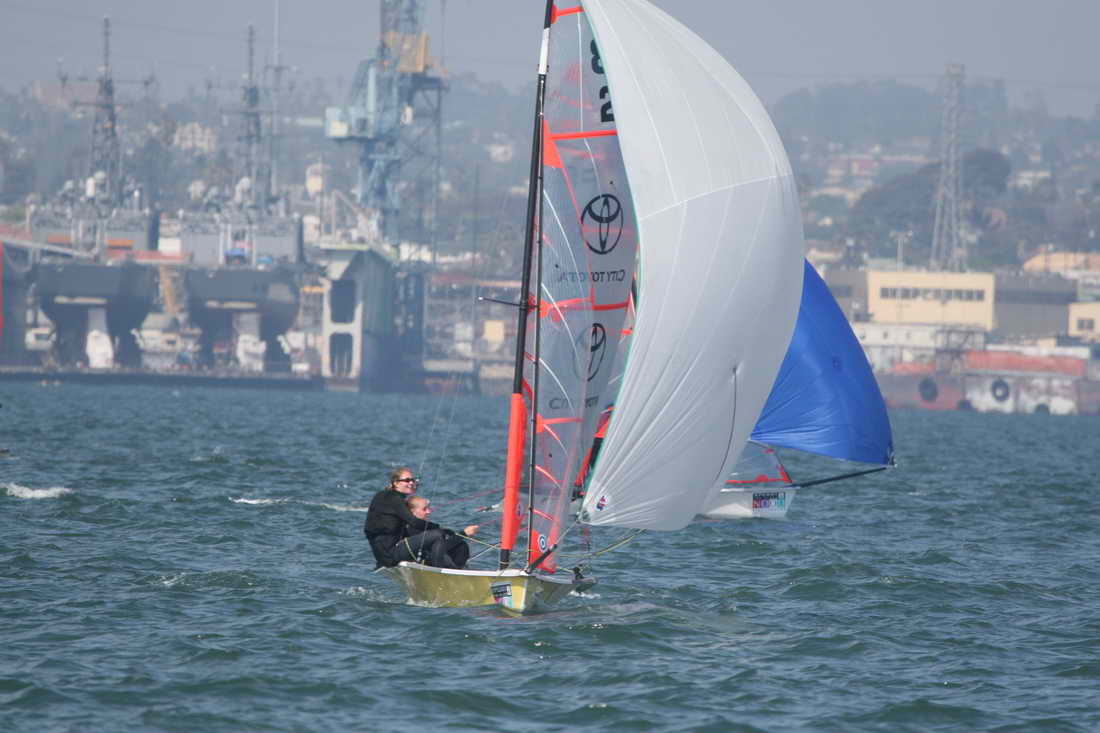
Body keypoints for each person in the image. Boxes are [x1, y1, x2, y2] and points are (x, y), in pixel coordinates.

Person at [364, 467, 430, 569]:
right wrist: (437, 528)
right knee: (437, 535)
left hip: (382, 552)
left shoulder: (386, 495)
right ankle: (441, 566)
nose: (411, 483)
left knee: (428, 534)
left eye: (412, 480)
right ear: (396, 483)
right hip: (388, 554)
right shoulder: (394, 498)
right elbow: (414, 522)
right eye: (407, 480)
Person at [394, 496, 479, 569]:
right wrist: (463, 534)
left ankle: (460, 570)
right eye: (424, 509)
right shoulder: (410, 529)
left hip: (437, 561)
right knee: (452, 543)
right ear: (412, 512)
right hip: (426, 564)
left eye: (428, 508)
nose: (429, 511)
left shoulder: (427, 526)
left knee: (461, 546)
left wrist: (452, 534)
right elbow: (439, 548)